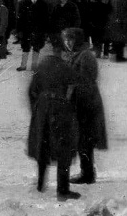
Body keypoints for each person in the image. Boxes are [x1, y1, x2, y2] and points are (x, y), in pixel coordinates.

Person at [27, 43, 82, 201]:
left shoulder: (40, 68)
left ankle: (40, 184)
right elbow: (78, 83)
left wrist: (36, 110)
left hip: (42, 108)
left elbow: (31, 91)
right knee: (63, 147)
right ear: (60, 53)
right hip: (60, 107)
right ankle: (62, 190)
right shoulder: (64, 67)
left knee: (42, 145)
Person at [62, 27, 107, 185]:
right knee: (82, 139)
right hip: (81, 102)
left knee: (85, 140)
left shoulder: (85, 56)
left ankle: (87, 174)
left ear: (78, 40)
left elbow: (86, 81)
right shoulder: (78, 54)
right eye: (66, 39)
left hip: (86, 104)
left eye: (71, 39)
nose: (67, 43)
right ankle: (86, 172)